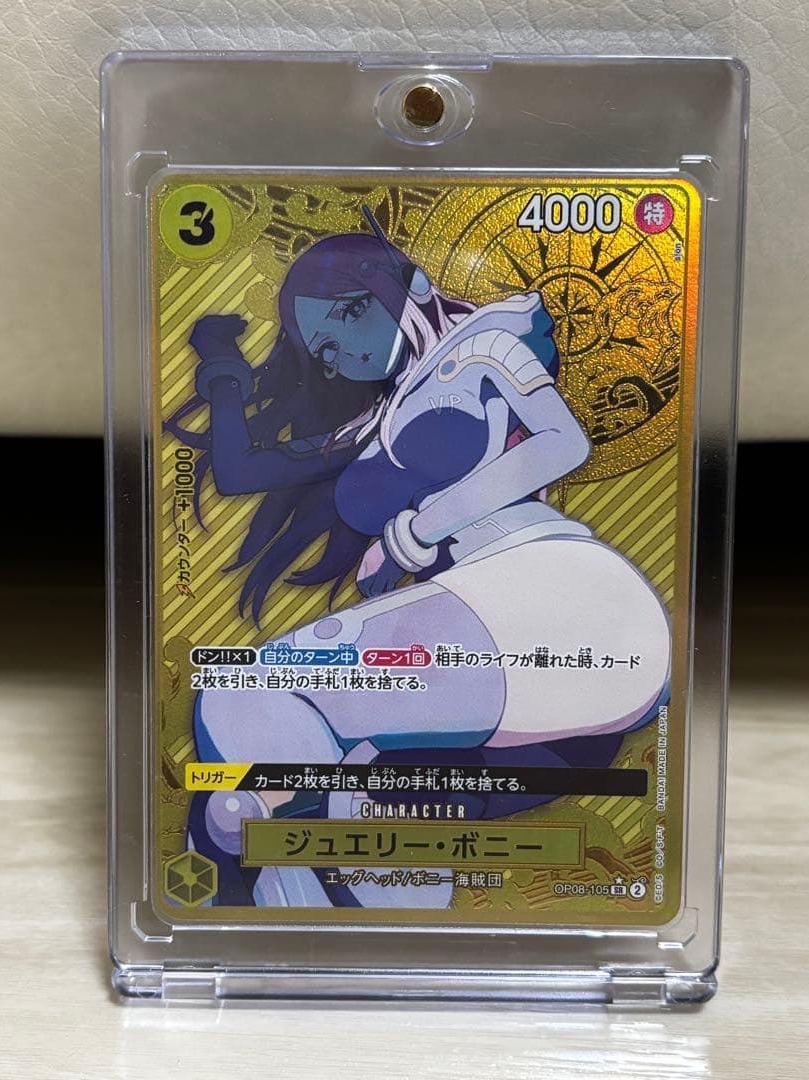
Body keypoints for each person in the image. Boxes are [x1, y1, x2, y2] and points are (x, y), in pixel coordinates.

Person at [166, 215, 670, 908]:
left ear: (413, 286)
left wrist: (420, 527)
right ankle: (296, 936)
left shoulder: (484, 345)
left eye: (347, 317)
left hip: (553, 599)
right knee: (367, 825)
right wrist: (223, 368)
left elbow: (562, 444)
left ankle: (249, 828)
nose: (339, 355)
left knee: (250, 689)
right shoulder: (378, 424)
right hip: (509, 701)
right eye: (323, 349)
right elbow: (241, 469)